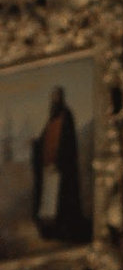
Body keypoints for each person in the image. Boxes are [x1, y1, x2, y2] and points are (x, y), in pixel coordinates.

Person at [29, 86, 85, 245]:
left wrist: (59, 161)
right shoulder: (51, 119)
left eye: (56, 97)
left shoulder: (66, 116)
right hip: (48, 168)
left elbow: (67, 143)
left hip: (60, 169)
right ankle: (49, 231)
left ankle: (62, 231)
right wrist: (36, 144)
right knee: (48, 201)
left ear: (61, 97)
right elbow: (44, 140)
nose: (54, 100)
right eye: (52, 97)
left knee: (59, 200)